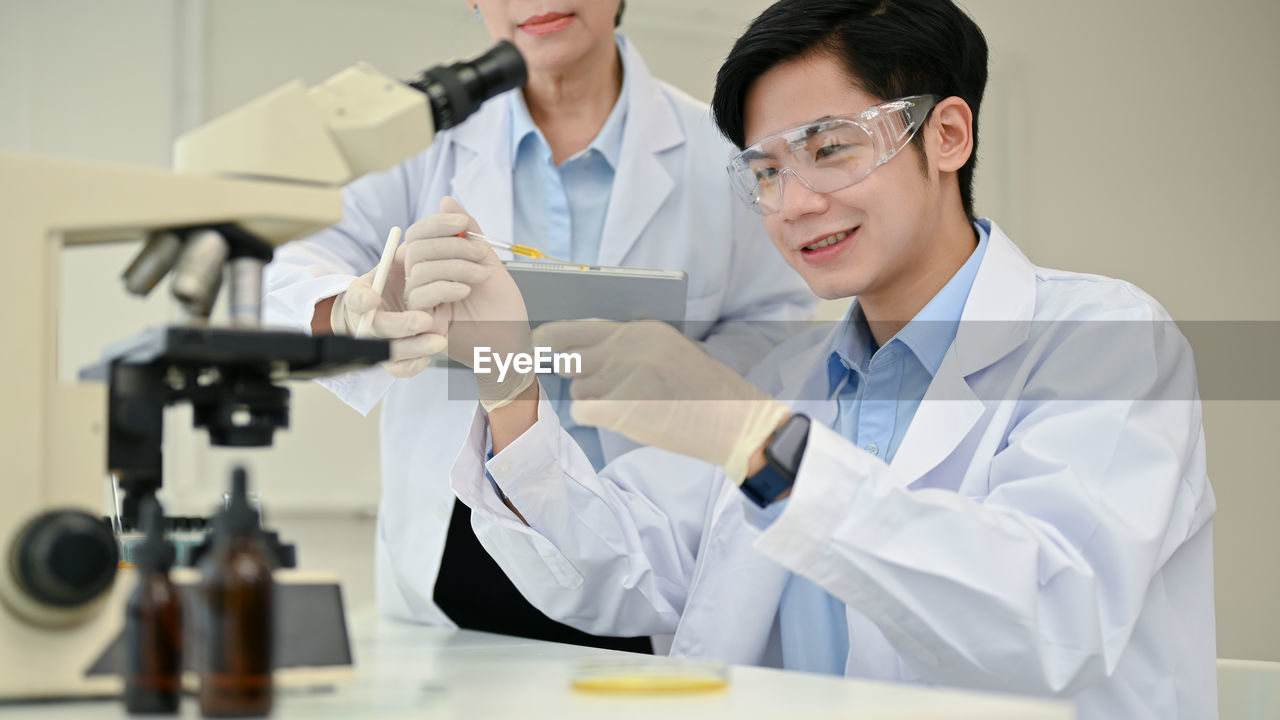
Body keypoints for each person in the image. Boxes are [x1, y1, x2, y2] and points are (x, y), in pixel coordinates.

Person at [419, 0, 1217, 716]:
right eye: (765, 170)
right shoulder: (788, 377)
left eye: (830, 149)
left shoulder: (1107, 342)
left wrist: (757, 441)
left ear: (947, 135)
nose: (795, 203)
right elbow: (616, 575)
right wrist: (508, 376)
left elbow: (1047, 621)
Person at [261, 0, 814, 652]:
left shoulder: (717, 151)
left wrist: (681, 375)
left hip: (643, 547)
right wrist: (357, 304)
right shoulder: (417, 141)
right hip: (454, 554)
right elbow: (282, 267)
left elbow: (778, 326)